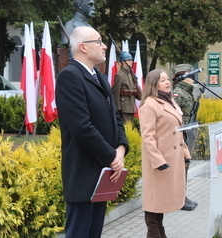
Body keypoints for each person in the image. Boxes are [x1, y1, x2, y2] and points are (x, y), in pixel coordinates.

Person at [55, 26, 128, 238]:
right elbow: (81, 127)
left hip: (103, 171)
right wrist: (111, 156)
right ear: (83, 47)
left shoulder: (100, 77)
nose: (104, 46)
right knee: (79, 233)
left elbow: (116, 117)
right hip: (84, 173)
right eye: (99, 41)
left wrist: (121, 149)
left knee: (94, 233)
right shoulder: (70, 76)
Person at [139, 69, 191, 238]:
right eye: (163, 80)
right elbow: (148, 137)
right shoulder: (149, 104)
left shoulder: (169, 102)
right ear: (154, 84)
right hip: (159, 161)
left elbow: (178, 130)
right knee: (154, 201)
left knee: (161, 202)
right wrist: (158, 160)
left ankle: (160, 233)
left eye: (168, 79)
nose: (168, 82)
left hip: (172, 158)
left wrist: (185, 152)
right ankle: (153, 233)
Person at [172, 65, 198, 211]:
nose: (192, 78)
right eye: (189, 75)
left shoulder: (187, 92)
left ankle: (182, 196)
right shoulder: (178, 93)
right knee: (182, 166)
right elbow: (175, 117)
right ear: (182, 77)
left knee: (185, 166)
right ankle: (179, 198)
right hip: (182, 135)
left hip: (188, 132)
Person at [111, 51, 142, 122]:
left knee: (129, 127)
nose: (132, 62)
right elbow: (115, 92)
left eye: (131, 60)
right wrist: (117, 109)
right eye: (129, 60)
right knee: (125, 127)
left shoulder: (130, 74)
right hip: (124, 107)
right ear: (123, 62)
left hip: (131, 105)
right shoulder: (120, 75)